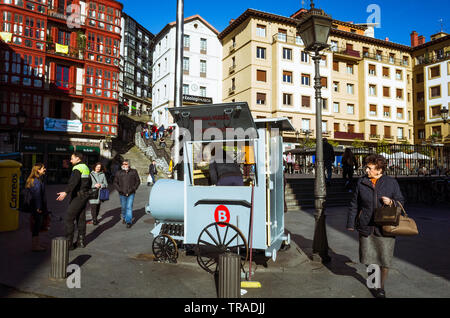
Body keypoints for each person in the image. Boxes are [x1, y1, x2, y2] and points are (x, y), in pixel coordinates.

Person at [347, 154, 404, 298]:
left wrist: (391, 202)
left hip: (385, 228)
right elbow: (354, 204)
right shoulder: (362, 182)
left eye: (370, 168)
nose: (366, 170)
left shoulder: (391, 182)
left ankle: (380, 287)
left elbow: (401, 200)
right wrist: (350, 223)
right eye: (366, 167)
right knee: (369, 259)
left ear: (379, 170)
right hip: (366, 226)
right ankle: (373, 283)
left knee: (385, 260)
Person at [57, 152, 91, 250]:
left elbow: (73, 182)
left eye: (72, 158)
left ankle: (69, 244)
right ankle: (81, 241)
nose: (71, 160)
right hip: (84, 196)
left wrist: (65, 192)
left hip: (78, 196)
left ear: (78, 158)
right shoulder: (86, 167)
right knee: (81, 218)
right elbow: (89, 183)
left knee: (69, 218)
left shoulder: (77, 168)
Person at [26, 163, 48, 252]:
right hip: (37, 206)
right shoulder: (37, 181)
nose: (45, 169)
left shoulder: (33, 180)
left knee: (36, 225)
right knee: (37, 226)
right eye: (43, 168)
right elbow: (37, 195)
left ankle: (36, 244)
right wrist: (39, 207)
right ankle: (35, 246)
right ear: (38, 170)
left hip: (33, 205)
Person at [114, 159, 140, 228]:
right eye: (123, 164)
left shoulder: (133, 172)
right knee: (123, 207)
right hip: (122, 193)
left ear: (129, 165)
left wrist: (133, 189)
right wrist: (120, 190)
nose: (124, 165)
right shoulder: (119, 172)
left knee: (129, 207)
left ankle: (128, 221)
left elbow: (137, 181)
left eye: (126, 164)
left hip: (131, 193)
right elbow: (115, 182)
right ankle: (124, 217)